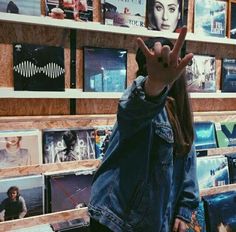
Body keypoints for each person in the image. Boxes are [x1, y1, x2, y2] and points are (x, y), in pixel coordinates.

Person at [88, 27, 200, 232]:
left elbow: (187, 161)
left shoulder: (180, 112)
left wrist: (184, 209)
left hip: (155, 221)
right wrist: (155, 84)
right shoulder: (144, 102)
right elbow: (132, 110)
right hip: (117, 222)